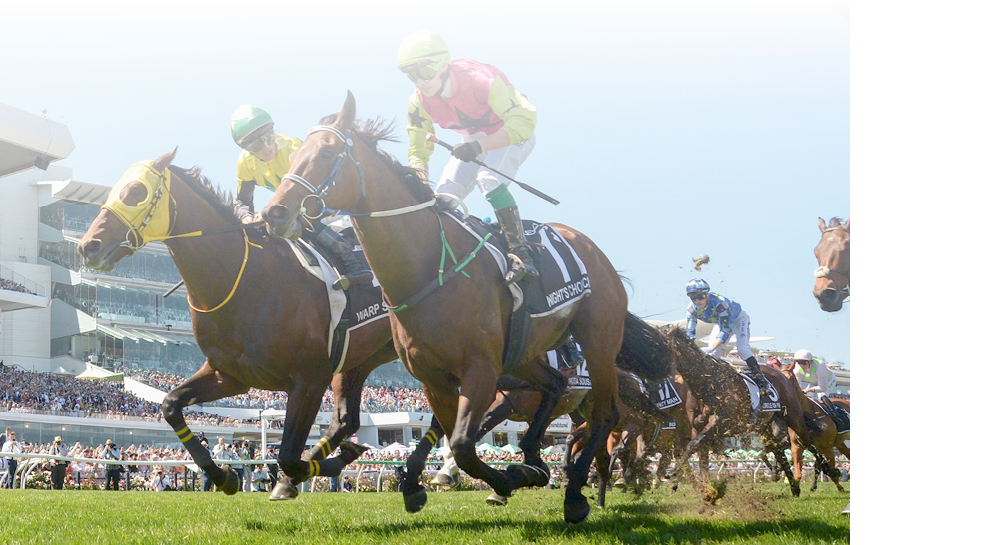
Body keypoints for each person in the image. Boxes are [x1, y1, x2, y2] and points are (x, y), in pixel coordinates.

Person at [397, 29, 540, 285]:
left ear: (443, 65)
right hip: (474, 139)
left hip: (512, 133)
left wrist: (480, 146)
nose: (420, 82)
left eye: (425, 72)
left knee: (490, 181)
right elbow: (418, 151)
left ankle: (521, 253)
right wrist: (417, 189)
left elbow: (525, 121)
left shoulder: (479, 78)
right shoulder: (418, 102)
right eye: (411, 75)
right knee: (443, 199)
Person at [229, 104, 373, 290]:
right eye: (257, 143)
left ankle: (353, 263)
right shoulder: (244, 164)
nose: (267, 146)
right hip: (292, 205)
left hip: (317, 203)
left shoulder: (293, 147)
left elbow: (309, 195)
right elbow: (242, 201)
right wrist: (246, 217)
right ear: (246, 149)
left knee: (296, 221)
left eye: (269, 135)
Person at [684, 278, 770, 395]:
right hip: (721, 323)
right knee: (713, 355)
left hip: (738, 320)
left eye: (700, 297)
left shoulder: (720, 303)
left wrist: (712, 346)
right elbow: (690, 334)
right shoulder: (691, 310)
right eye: (693, 298)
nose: (697, 301)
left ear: (707, 295)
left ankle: (761, 380)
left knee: (742, 349)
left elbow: (726, 330)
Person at [793, 349, 848, 430]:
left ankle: (836, 418)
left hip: (828, 381)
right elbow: (798, 387)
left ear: (810, 362)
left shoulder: (820, 367)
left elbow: (823, 388)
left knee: (822, 396)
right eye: (799, 362)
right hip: (814, 383)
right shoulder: (796, 369)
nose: (801, 365)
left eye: (804, 363)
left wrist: (808, 390)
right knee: (807, 398)